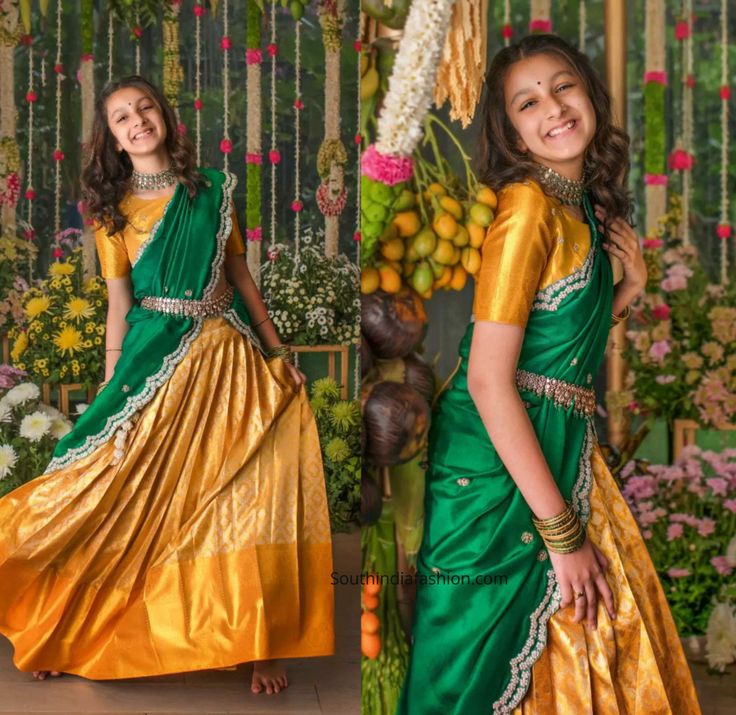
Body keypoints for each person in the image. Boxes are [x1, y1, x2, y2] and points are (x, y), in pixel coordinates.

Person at [0, 76, 335, 695]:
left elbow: (237, 272)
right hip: (156, 359)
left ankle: (259, 640)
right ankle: (62, 626)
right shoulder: (113, 212)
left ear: (163, 115)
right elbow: (119, 303)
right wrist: (111, 390)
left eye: (144, 107)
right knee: (116, 492)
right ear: (115, 141)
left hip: (226, 358)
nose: (136, 121)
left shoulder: (212, 190)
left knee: (247, 494)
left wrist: (277, 350)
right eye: (121, 118)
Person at [396, 35, 701, 714]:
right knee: (489, 649)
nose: (553, 108)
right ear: (509, 131)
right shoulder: (528, 209)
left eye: (563, 87)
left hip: (557, 444)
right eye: (527, 102)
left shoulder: (580, 207)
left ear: (590, 94)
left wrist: (627, 291)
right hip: (498, 464)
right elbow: (487, 379)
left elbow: (553, 347)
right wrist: (561, 534)